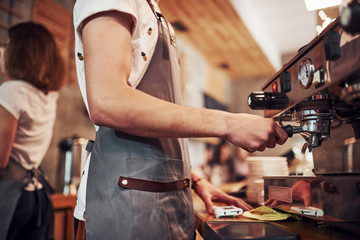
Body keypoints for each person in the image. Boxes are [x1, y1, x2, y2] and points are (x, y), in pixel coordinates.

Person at [72, 0, 288, 239]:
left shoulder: (152, 11)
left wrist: (194, 179)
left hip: (171, 201)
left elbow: (157, 123)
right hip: (129, 204)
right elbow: (108, 101)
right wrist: (230, 123)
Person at [0, 22, 65, 240]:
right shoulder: (48, 96)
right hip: (35, 196)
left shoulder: (12, 91)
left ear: (19, 51)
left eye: (9, 45)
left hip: (10, 196)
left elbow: (0, 159)